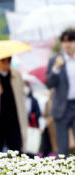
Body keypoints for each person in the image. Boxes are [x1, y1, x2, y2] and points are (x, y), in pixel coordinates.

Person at [46, 29, 75, 157]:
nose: (67, 44)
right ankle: (61, 174)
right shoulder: (55, 60)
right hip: (61, 107)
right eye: (64, 41)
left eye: (70, 40)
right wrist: (56, 68)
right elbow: (49, 84)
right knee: (62, 149)